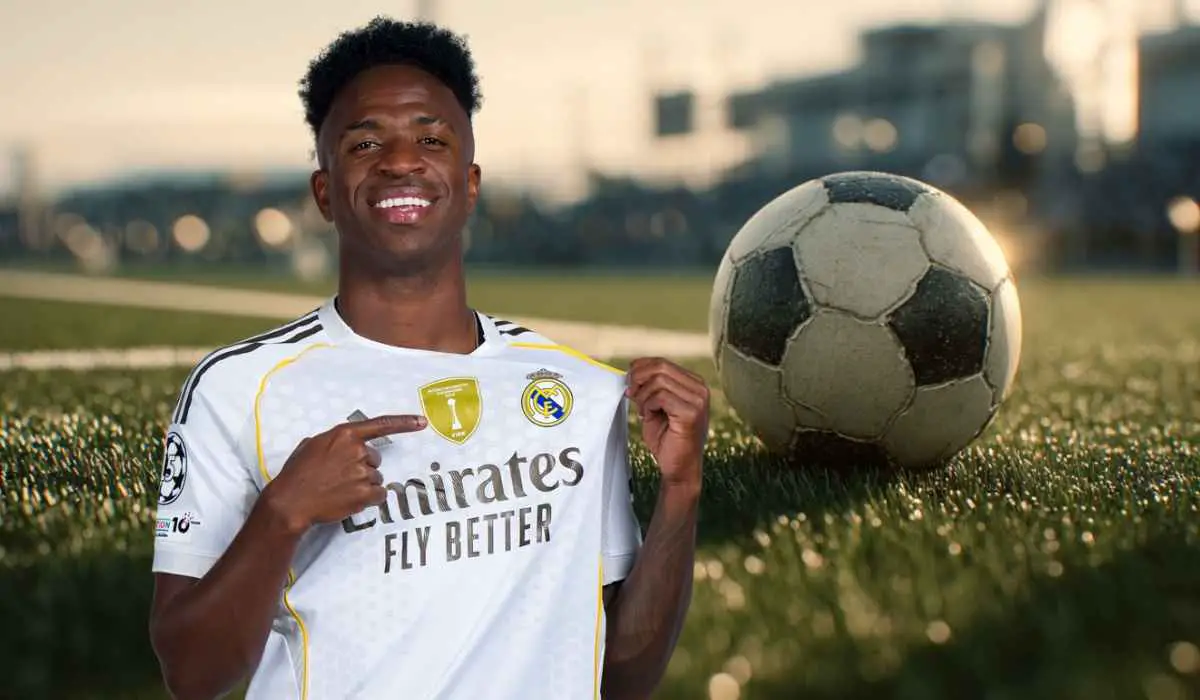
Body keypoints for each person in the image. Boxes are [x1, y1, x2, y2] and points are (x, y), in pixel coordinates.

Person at [148, 16, 709, 700]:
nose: (401, 159)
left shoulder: (576, 392)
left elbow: (622, 679)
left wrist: (681, 492)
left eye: (431, 138)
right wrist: (282, 514)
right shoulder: (237, 390)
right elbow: (192, 673)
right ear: (325, 191)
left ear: (468, 183)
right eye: (365, 141)